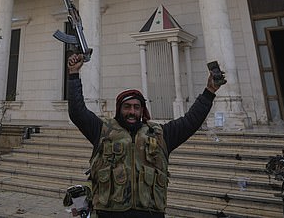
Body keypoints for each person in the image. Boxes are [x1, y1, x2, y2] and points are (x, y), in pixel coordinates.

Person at [67, 53, 224, 217]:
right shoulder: (102, 131)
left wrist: (209, 91)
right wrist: (73, 75)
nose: (132, 112)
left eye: (136, 107)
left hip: (150, 213)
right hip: (109, 212)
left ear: (142, 111)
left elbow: (191, 121)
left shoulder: (160, 135)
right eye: (127, 107)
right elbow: (77, 112)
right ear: (119, 109)